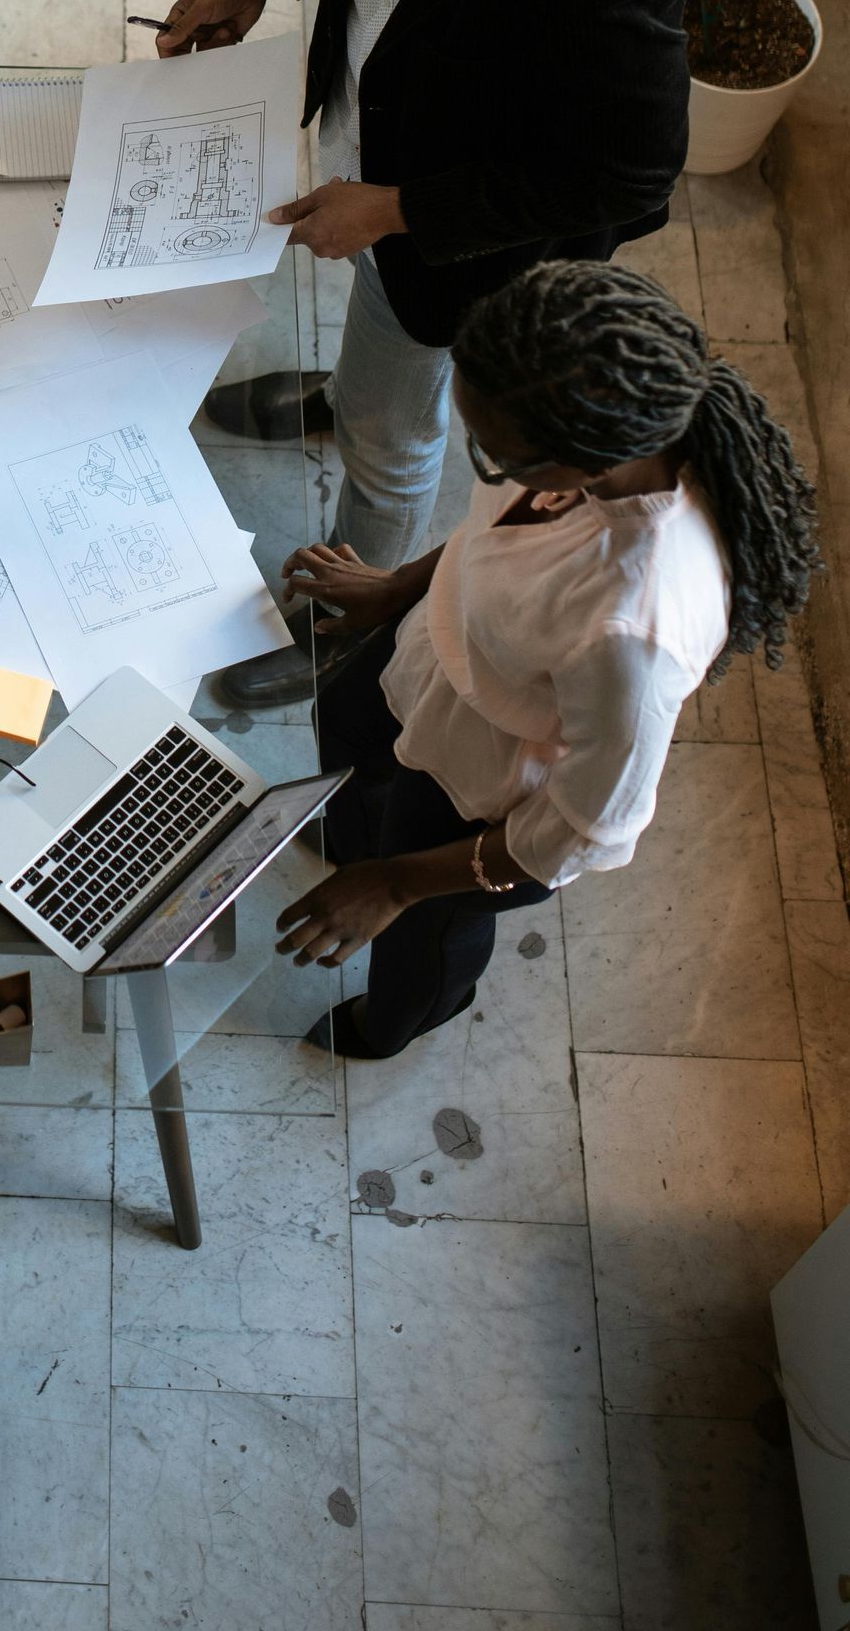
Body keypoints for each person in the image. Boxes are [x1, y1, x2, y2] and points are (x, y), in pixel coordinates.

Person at [158, 0, 688, 704]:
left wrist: (396, 209)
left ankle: (350, 611)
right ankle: (347, 385)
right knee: (373, 345)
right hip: (387, 150)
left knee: (393, 432)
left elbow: (632, 180)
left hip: (461, 243)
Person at [273, 260, 820, 1059]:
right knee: (346, 728)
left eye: (496, 458)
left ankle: (398, 1022)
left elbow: (578, 832)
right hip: (441, 644)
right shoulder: (567, 413)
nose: (484, 467)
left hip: (486, 771)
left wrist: (398, 883)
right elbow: (492, 537)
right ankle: (359, 844)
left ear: (587, 462)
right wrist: (399, 588)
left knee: (423, 933)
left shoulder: (633, 628)